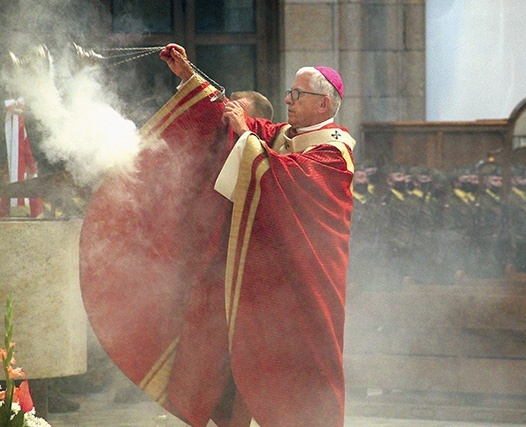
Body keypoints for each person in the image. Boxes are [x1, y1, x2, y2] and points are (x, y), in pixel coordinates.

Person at [81, 43, 356, 427]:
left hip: (302, 289)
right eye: (290, 92)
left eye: (297, 94)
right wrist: (191, 79)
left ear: (324, 105)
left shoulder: (334, 152)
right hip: (261, 284)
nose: (288, 99)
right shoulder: (285, 134)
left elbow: (287, 178)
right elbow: (243, 131)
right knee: (240, 364)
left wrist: (247, 137)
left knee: (296, 382)